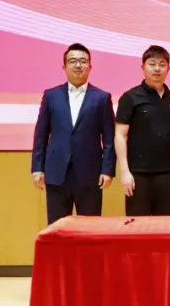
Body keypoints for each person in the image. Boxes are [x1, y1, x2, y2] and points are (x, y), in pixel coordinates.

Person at [30, 43, 116, 224]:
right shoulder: (51, 95)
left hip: (90, 174)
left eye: (83, 61)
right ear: (64, 66)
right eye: (73, 61)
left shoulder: (102, 98)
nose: (78, 65)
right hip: (57, 173)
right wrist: (37, 167)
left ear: (90, 67)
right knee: (57, 227)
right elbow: (41, 134)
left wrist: (107, 170)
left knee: (90, 228)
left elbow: (109, 139)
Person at [114, 45, 170, 216]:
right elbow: (120, 135)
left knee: (166, 226)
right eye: (152, 64)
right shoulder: (130, 97)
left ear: (168, 69)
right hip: (138, 175)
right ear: (143, 67)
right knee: (138, 227)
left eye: (162, 64)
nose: (157, 69)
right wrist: (124, 171)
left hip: (168, 174)